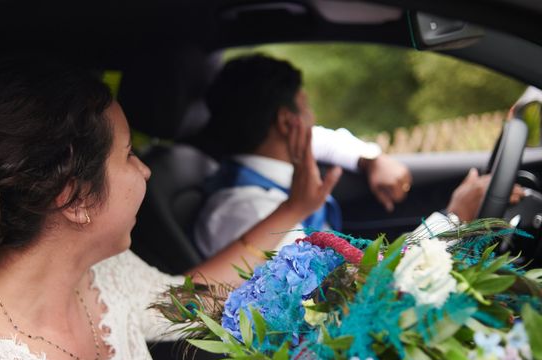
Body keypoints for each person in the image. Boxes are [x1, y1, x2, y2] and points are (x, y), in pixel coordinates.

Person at [0, 55, 348, 360]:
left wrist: (295, 209)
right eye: (129, 155)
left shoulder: (105, 275)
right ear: (75, 198)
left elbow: (196, 298)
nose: (146, 169)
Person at [193, 54, 521, 258]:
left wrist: (370, 159)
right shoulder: (247, 211)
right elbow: (347, 292)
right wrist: (452, 219)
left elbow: (322, 139)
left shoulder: (273, 162)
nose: (313, 119)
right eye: (307, 107)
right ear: (285, 122)